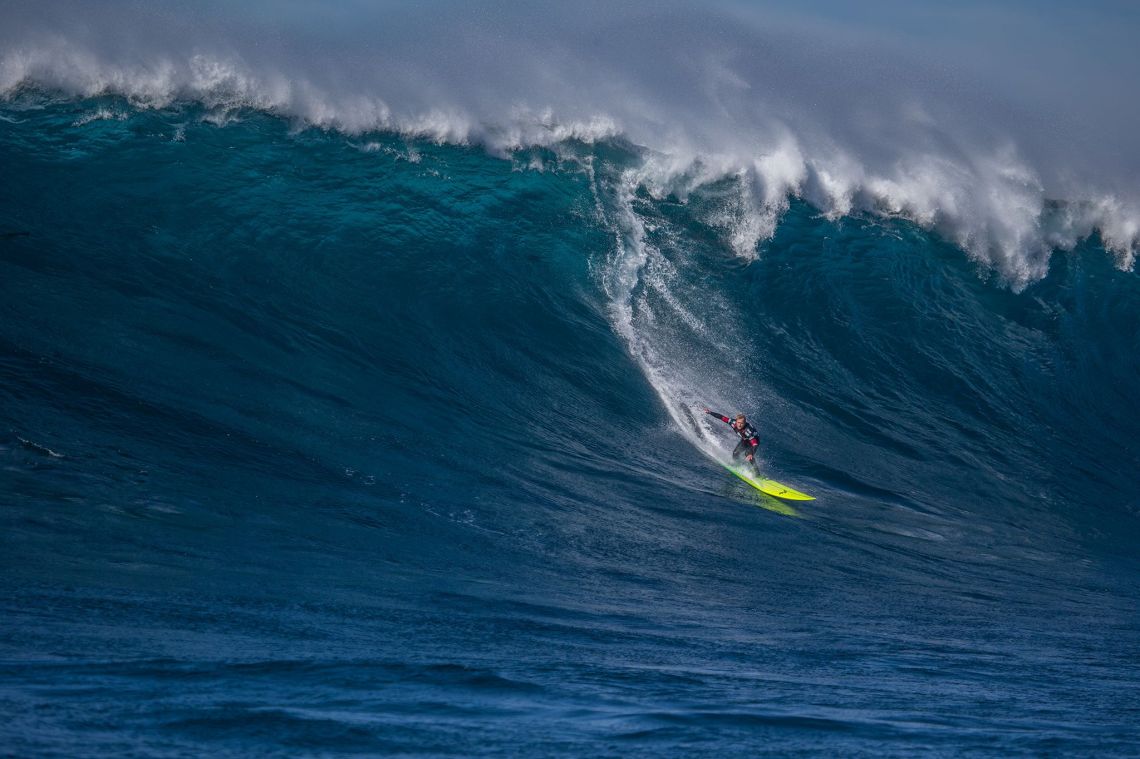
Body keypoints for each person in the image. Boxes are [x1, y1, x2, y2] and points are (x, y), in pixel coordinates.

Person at [703, 408, 760, 473]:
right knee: (735, 453)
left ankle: (757, 472)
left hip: (754, 441)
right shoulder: (732, 422)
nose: (740, 425)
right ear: (736, 421)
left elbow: (754, 444)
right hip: (745, 439)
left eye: (742, 423)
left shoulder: (748, 431)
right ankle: (739, 465)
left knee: (748, 454)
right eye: (738, 422)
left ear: (744, 423)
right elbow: (721, 417)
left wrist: (751, 454)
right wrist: (710, 412)